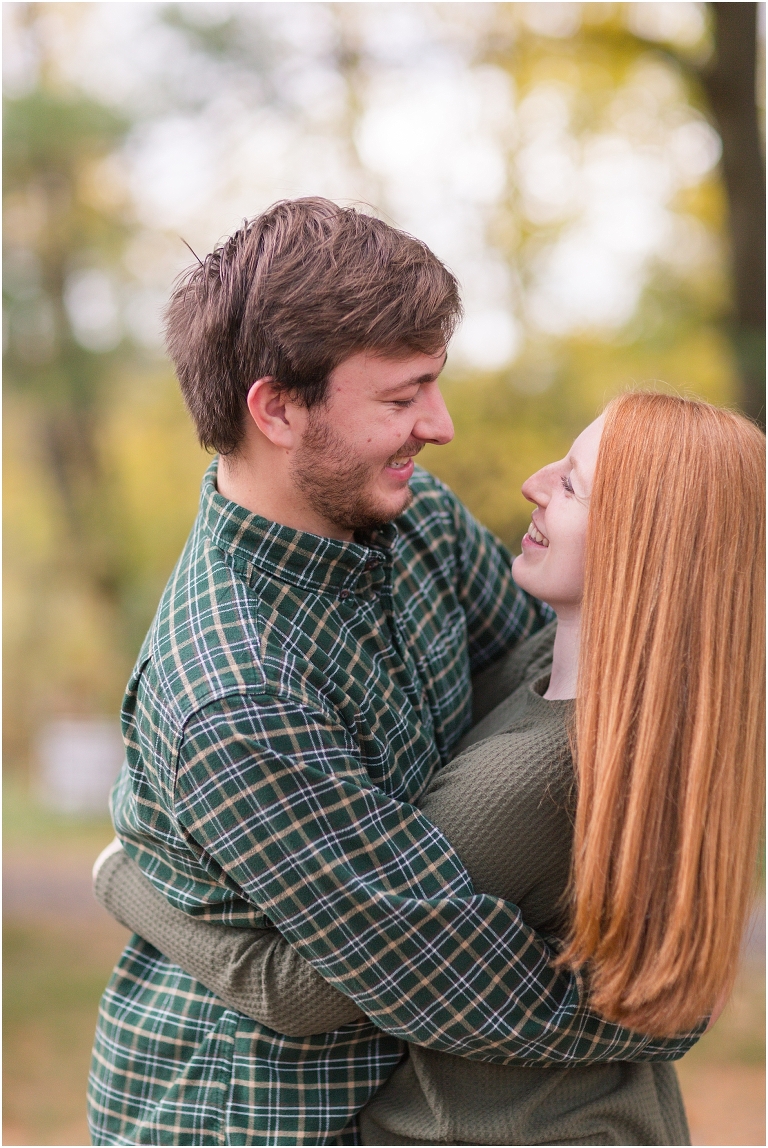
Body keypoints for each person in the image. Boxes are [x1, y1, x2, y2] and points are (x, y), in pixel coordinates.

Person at [87, 201, 702, 1147]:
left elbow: (543, 693)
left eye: (436, 383)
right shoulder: (240, 690)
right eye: (402, 396)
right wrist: (653, 1016)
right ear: (279, 408)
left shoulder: (417, 520)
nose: (441, 425)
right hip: (264, 1118)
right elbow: (436, 977)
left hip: (410, 1101)